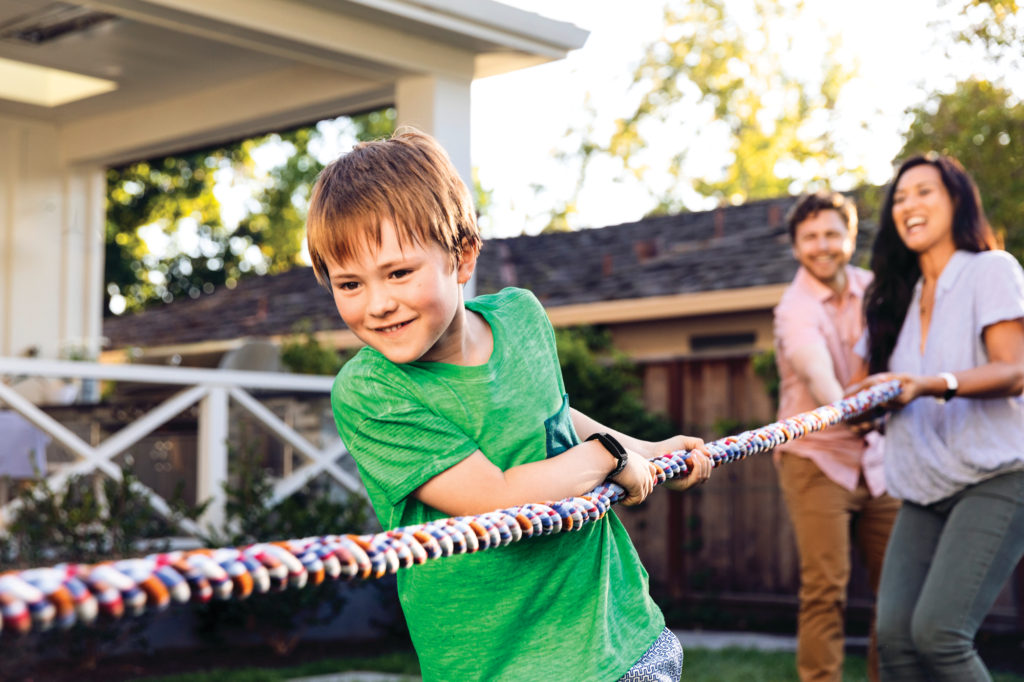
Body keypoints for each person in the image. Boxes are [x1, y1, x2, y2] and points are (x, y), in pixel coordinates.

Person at [304, 128, 714, 681]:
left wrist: (647, 450)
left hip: (620, 634)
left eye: (399, 272)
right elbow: (492, 499)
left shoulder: (520, 317)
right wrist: (608, 458)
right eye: (349, 284)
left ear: (462, 255)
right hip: (503, 664)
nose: (377, 304)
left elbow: (551, 413)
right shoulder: (372, 392)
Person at [855, 153, 1024, 680]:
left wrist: (933, 385)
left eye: (924, 192)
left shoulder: (989, 270)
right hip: (925, 488)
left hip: (998, 476)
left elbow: (1015, 369)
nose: (909, 206)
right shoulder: (895, 300)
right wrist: (867, 408)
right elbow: (887, 387)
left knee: (939, 634)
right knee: (898, 639)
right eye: (900, 199)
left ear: (956, 201)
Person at [772, 191, 901, 682]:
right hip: (815, 459)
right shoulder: (795, 307)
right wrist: (852, 410)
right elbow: (817, 372)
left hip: (878, 458)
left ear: (850, 238)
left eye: (831, 234)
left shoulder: (876, 290)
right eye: (810, 237)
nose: (822, 246)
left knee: (898, 591)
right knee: (826, 591)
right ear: (796, 246)